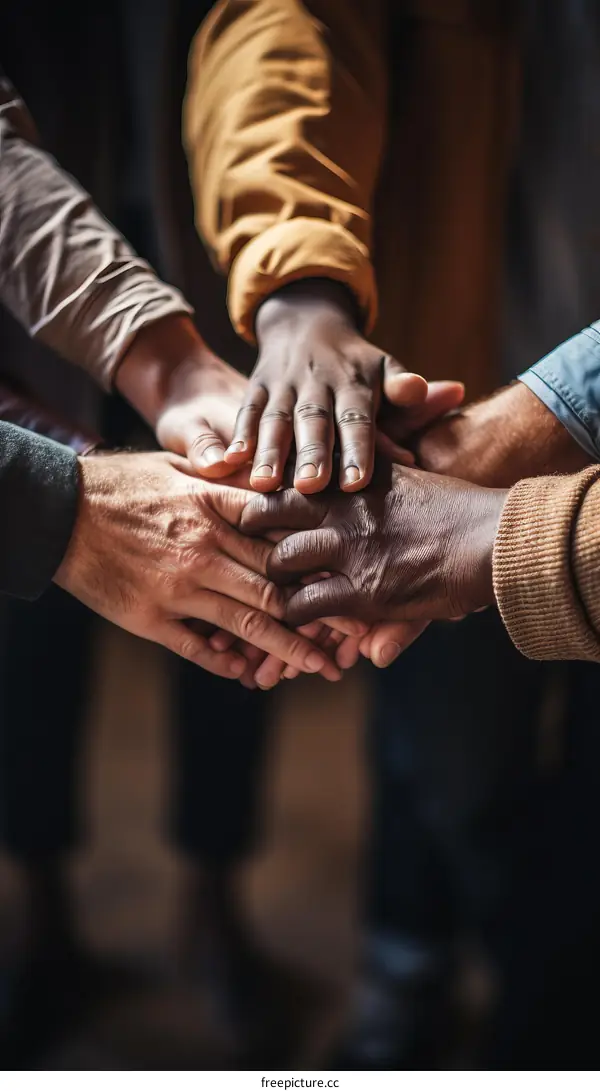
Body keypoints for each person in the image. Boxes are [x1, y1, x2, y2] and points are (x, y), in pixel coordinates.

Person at [183, 0, 600, 1066]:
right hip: (436, 389)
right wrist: (300, 289)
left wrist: (498, 490)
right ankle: (409, 965)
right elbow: (288, 28)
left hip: (447, 450)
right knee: (447, 755)